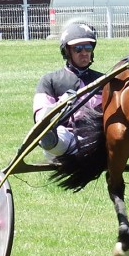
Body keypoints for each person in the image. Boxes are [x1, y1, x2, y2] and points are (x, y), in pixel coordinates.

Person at [33, 23, 104, 159]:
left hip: (99, 137)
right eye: (78, 49)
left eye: (88, 48)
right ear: (67, 51)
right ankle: (51, 141)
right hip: (65, 135)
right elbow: (41, 116)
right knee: (51, 132)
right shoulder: (50, 80)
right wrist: (62, 104)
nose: (84, 53)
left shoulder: (103, 80)